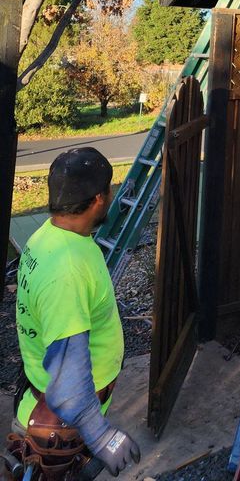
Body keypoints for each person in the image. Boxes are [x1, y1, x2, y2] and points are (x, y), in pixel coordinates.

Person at [9, 147, 141, 479]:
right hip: (63, 418)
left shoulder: (48, 236)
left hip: (50, 400)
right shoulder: (66, 271)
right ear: (99, 198)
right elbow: (68, 379)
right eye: (109, 190)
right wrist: (101, 436)